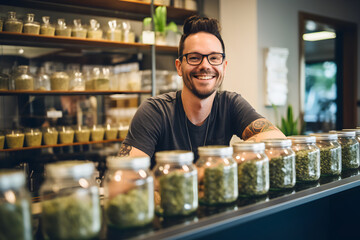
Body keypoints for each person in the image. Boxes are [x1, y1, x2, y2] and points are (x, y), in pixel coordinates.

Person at [119, 15, 285, 165]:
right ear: (179, 66)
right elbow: (126, 173)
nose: (205, 65)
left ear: (224, 67)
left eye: (214, 58)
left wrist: (213, 165)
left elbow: (277, 140)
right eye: (194, 58)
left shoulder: (231, 104)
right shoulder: (155, 111)